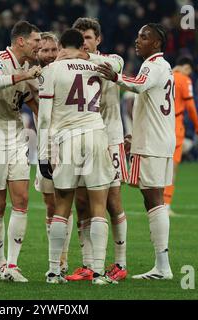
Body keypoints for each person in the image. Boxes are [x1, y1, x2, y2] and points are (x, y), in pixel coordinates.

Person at [97, 23, 175, 280]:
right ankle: (161, 264)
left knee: (154, 201)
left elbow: (139, 85)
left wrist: (115, 77)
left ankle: (162, 267)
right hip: (161, 140)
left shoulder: (151, 66)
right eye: (138, 35)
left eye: (144, 37)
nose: (137, 40)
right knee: (155, 201)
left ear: (156, 44)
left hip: (151, 144)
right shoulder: (165, 68)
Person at [38, 28, 115, 285]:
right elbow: (116, 64)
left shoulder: (52, 71)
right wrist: (87, 57)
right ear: (83, 45)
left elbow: (45, 117)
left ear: (60, 45)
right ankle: (99, 273)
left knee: (62, 206)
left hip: (67, 140)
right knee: (98, 207)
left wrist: (43, 153)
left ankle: (53, 271)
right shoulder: (96, 65)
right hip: (95, 134)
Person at [61, 17, 128, 282]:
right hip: (80, 139)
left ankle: (120, 263)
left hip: (109, 139)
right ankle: (88, 264)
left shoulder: (111, 59)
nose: (84, 42)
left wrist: (77, 57)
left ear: (97, 39)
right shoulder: (69, 66)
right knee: (81, 202)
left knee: (111, 201)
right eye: (80, 37)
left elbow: (115, 65)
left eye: (88, 37)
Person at [0, 21, 42, 282]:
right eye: (36, 41)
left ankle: (13, 265)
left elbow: (30, 102)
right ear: (21, 41)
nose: (38, 45)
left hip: (15, 137)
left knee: (22, 199)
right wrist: (25, 77)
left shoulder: (27, 67)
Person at [29, 32, 72, 276]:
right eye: (44, 50)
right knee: (49, 203)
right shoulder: (32, 77)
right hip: (45, 145)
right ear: (38, 53)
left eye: (53, 49)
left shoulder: (65, 73)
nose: (49, 54)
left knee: (65, 202)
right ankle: (56, 257)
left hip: (67, 144)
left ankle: (63, 260)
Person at [164, 57, 198, 216]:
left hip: (158, 124)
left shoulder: (164, 74)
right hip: (175, 125)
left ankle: (154, 205)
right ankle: (165, 204)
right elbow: (191, 106)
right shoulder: (184, 79)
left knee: (158, 166)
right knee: (171, 168)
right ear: (186, 67)